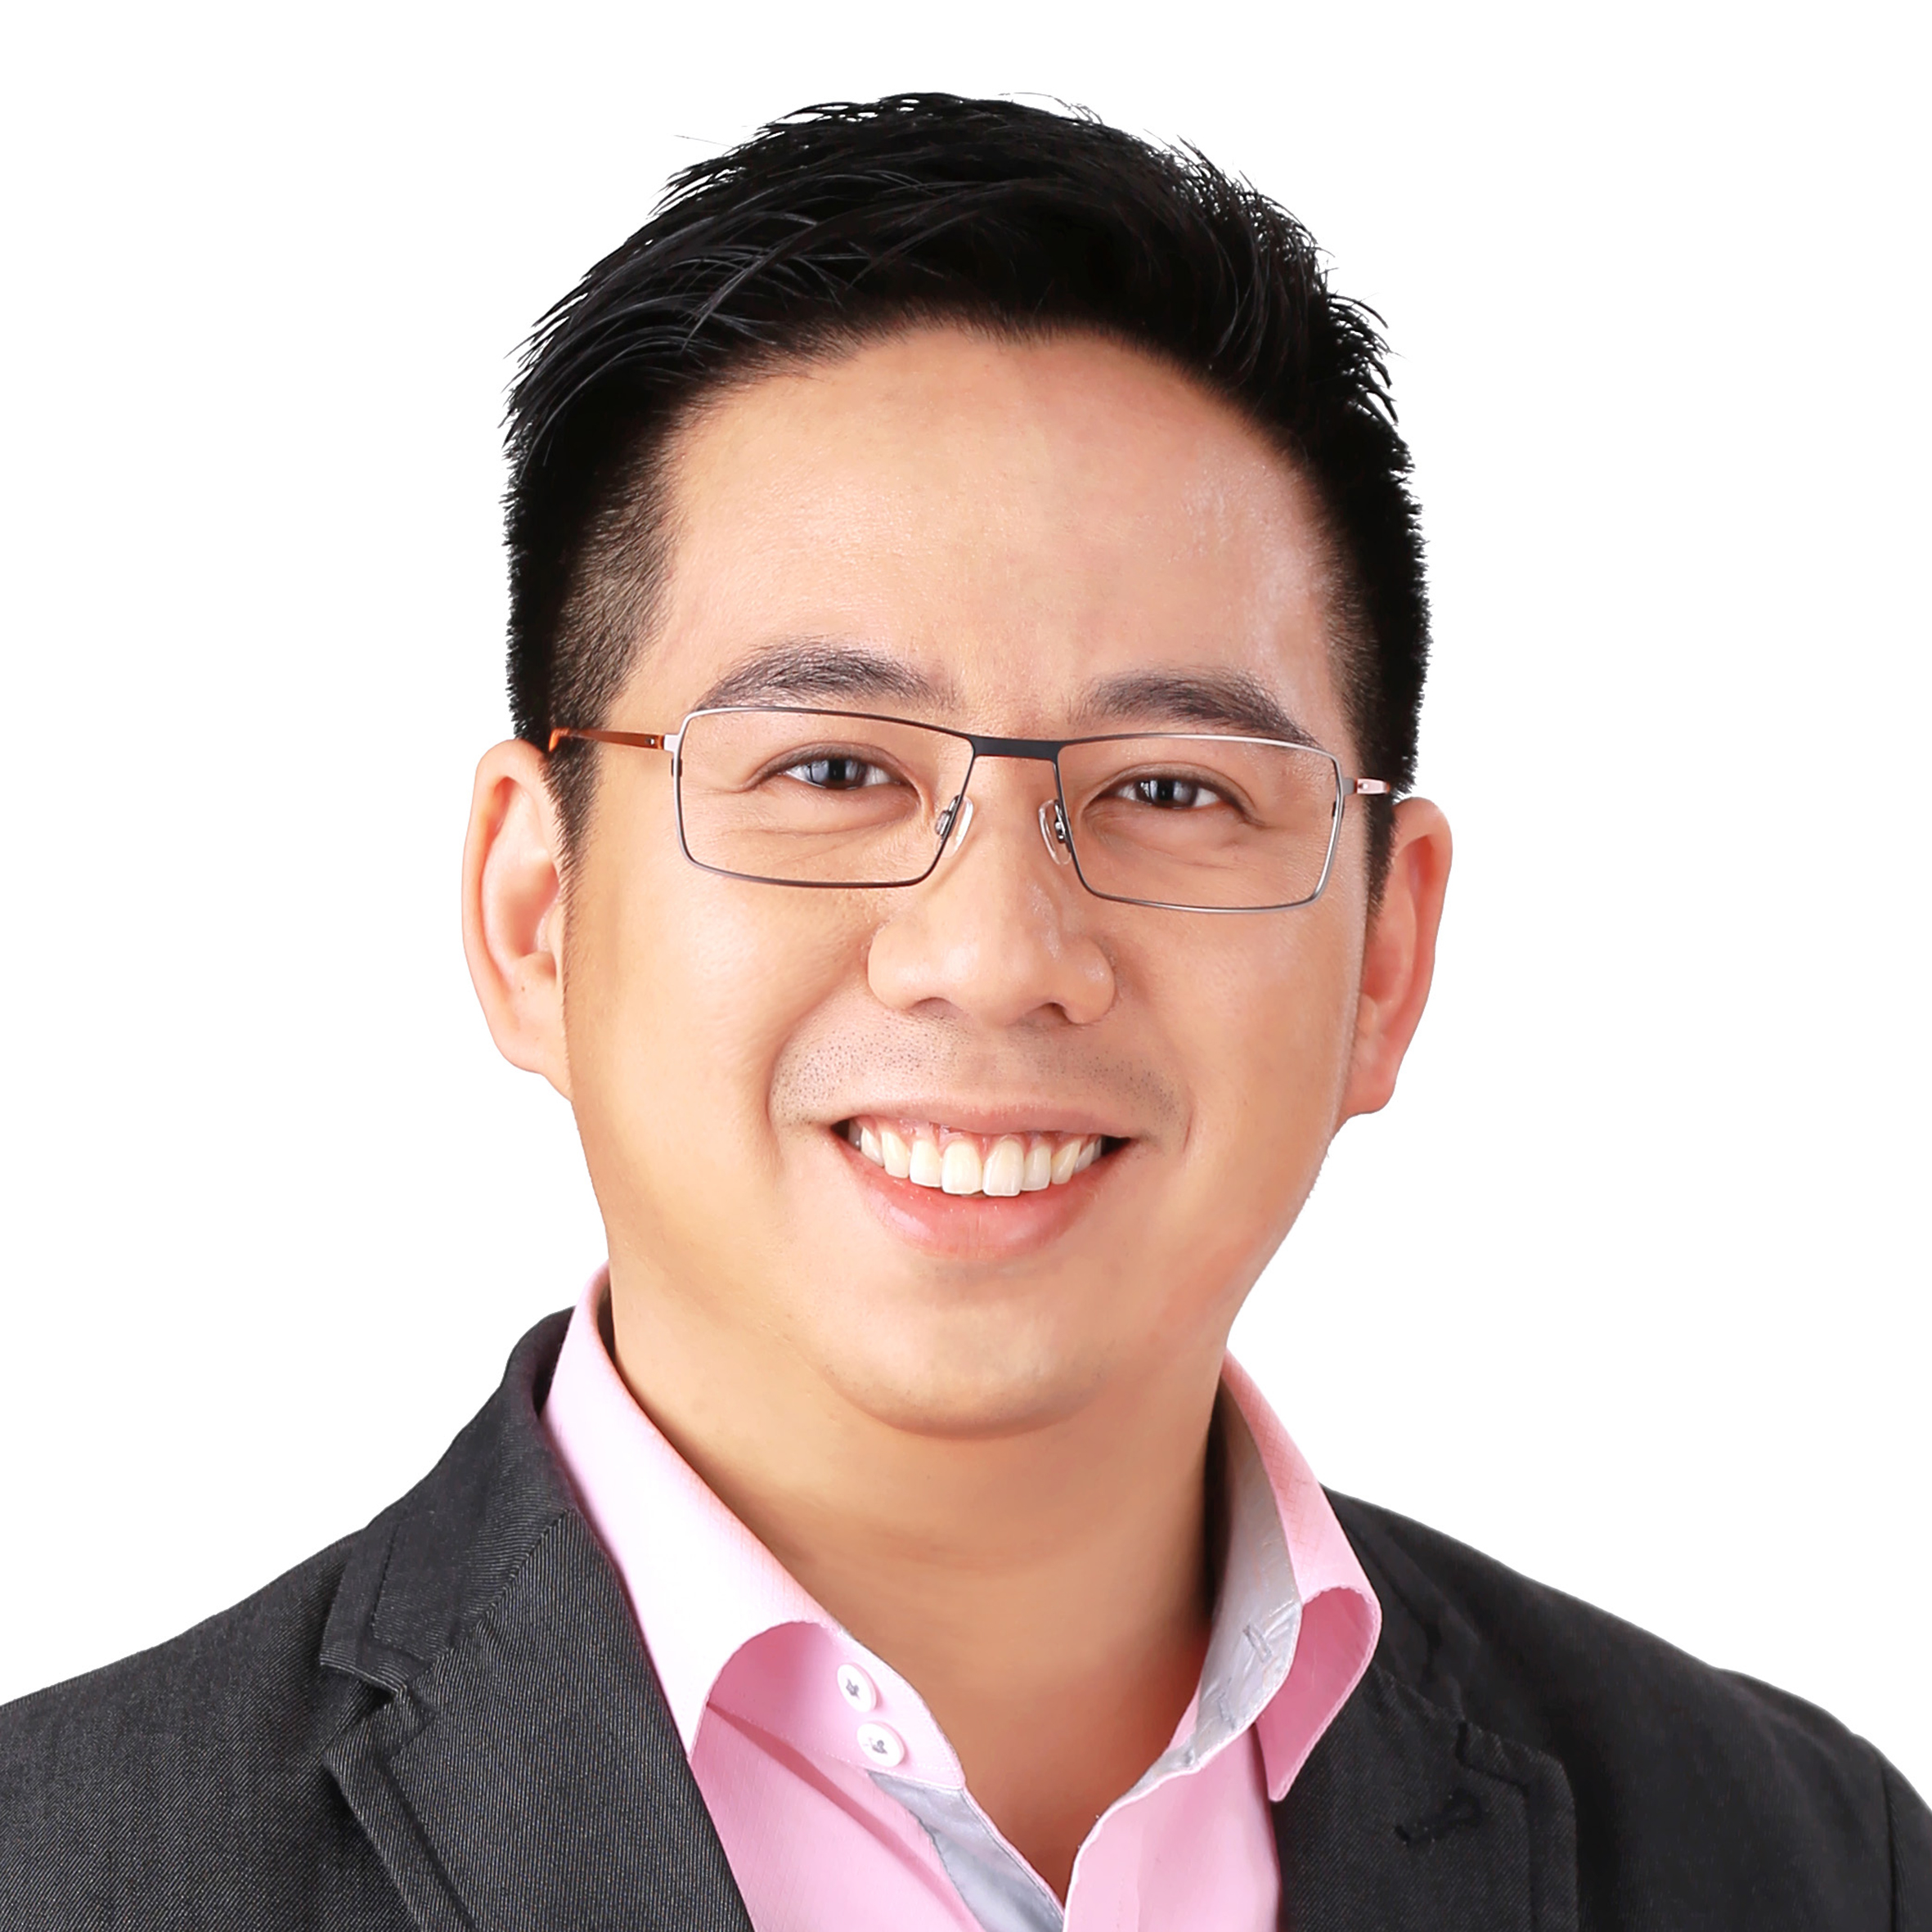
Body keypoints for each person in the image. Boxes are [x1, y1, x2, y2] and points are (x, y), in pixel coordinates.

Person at [2, 92, 1923, 1932]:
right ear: (534, 909)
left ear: (1383, 955)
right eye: (831, 769)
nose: (996, 950)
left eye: (1169, 787)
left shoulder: (1799, 1859)